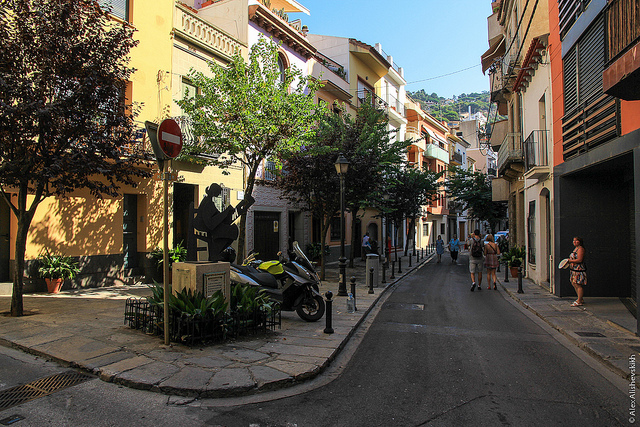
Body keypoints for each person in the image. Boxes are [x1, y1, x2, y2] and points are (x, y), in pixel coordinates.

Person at [568, 236, 587, 307]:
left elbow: (579, 260)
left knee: (578, 284)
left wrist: (570, 261)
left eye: (576, 241)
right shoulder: (576, 249)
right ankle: (580, 298)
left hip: (578, 269)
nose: (574, 242)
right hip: (574, 269)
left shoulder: (580, 249)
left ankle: (579, 300)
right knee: (574, 283)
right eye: (573, 240)